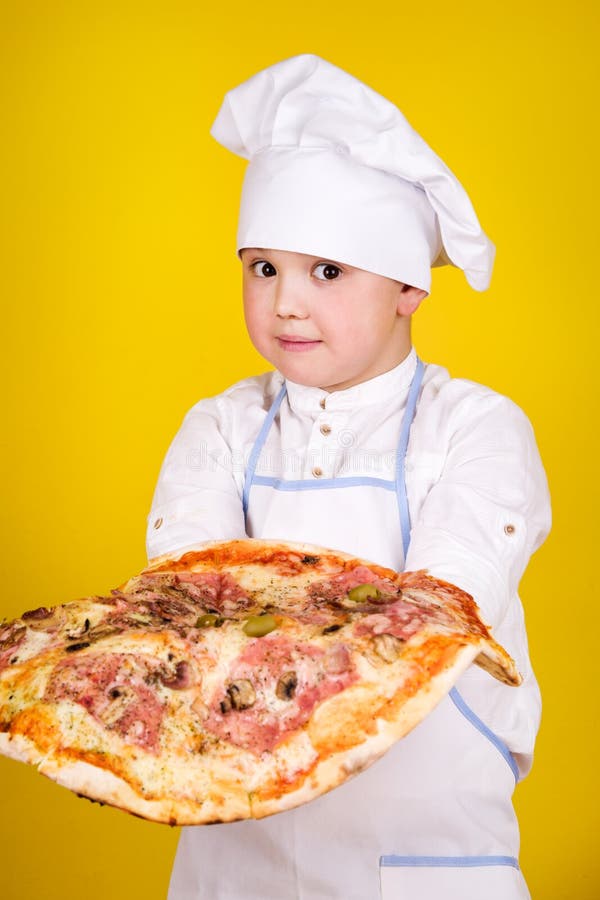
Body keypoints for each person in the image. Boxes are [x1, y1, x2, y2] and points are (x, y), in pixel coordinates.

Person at [146, 54, 551, 900]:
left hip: (420, 856)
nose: (286, 302)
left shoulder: (476, 429)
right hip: (235, 855)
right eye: (263, 268)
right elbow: (183, 608)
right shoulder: (220, 429)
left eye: (326, 271)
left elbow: (432, 618)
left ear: (408, 287)